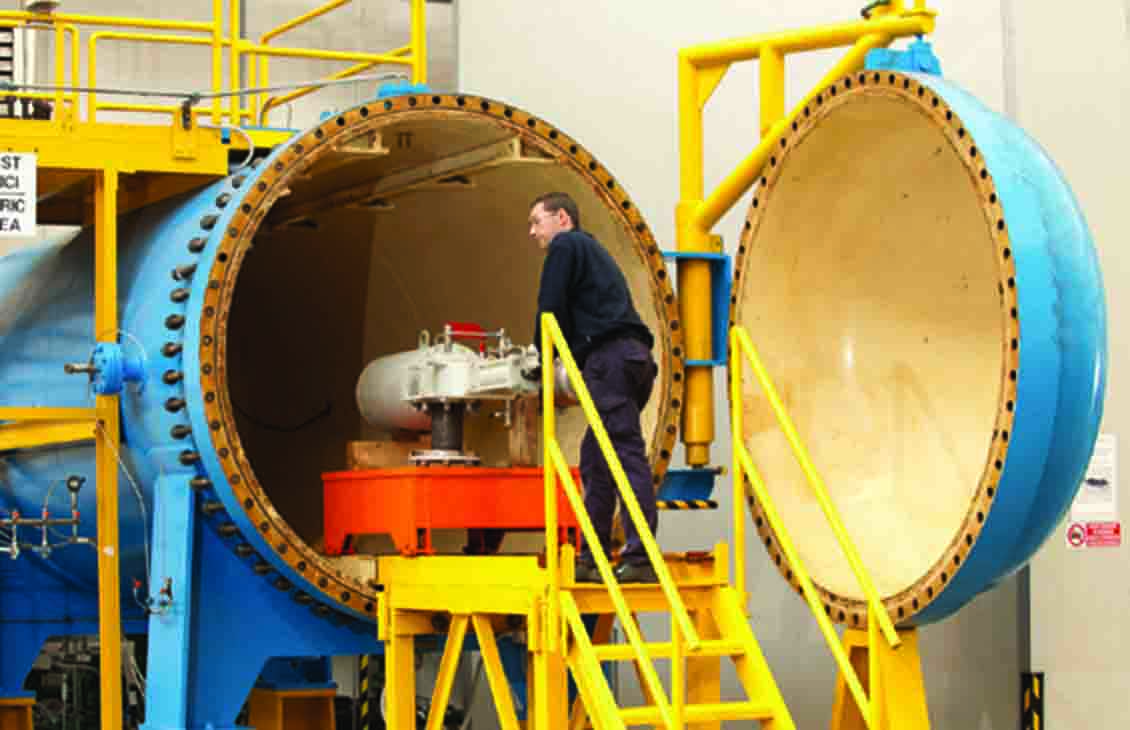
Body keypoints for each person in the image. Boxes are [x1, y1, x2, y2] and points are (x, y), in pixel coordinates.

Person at [527, 192, 660, 583]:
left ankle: (640, 557)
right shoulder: (595, 254)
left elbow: (550, 306)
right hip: (634, 360)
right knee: (596, 457)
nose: (533, 232)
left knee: (622, 452)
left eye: (537, 221)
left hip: (611, 360)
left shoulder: (567, 245)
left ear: (562, 218)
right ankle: (593, 555)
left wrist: (541, 353)